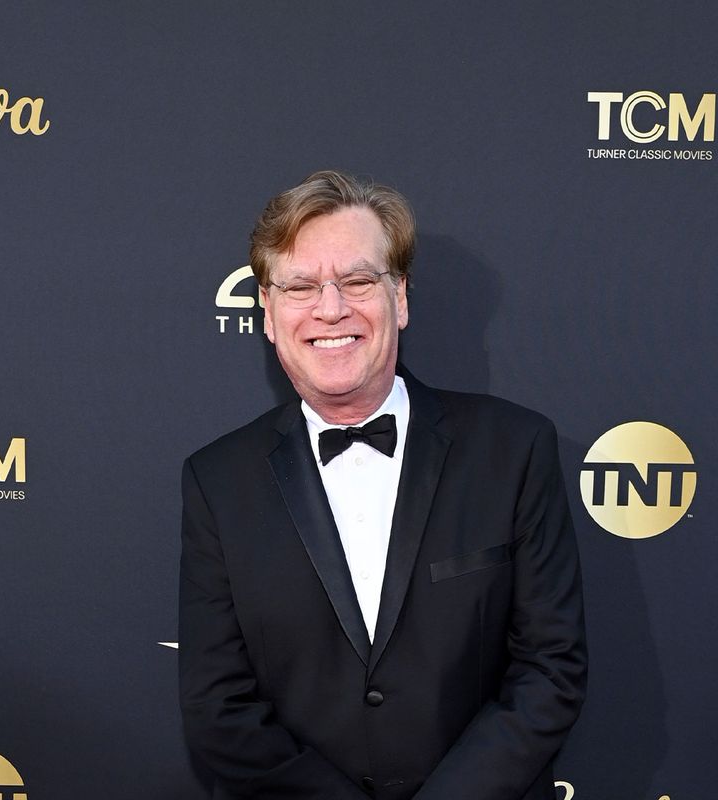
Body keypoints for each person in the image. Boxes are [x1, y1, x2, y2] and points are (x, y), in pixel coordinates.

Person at [179, 170, 587, 799]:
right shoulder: (217, 481)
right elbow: (218, 708)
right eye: (300, 286)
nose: (330, 308)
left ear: (400, 296)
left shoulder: (515, 450)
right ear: (266, 311)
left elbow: (549, 669)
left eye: (358, 281)